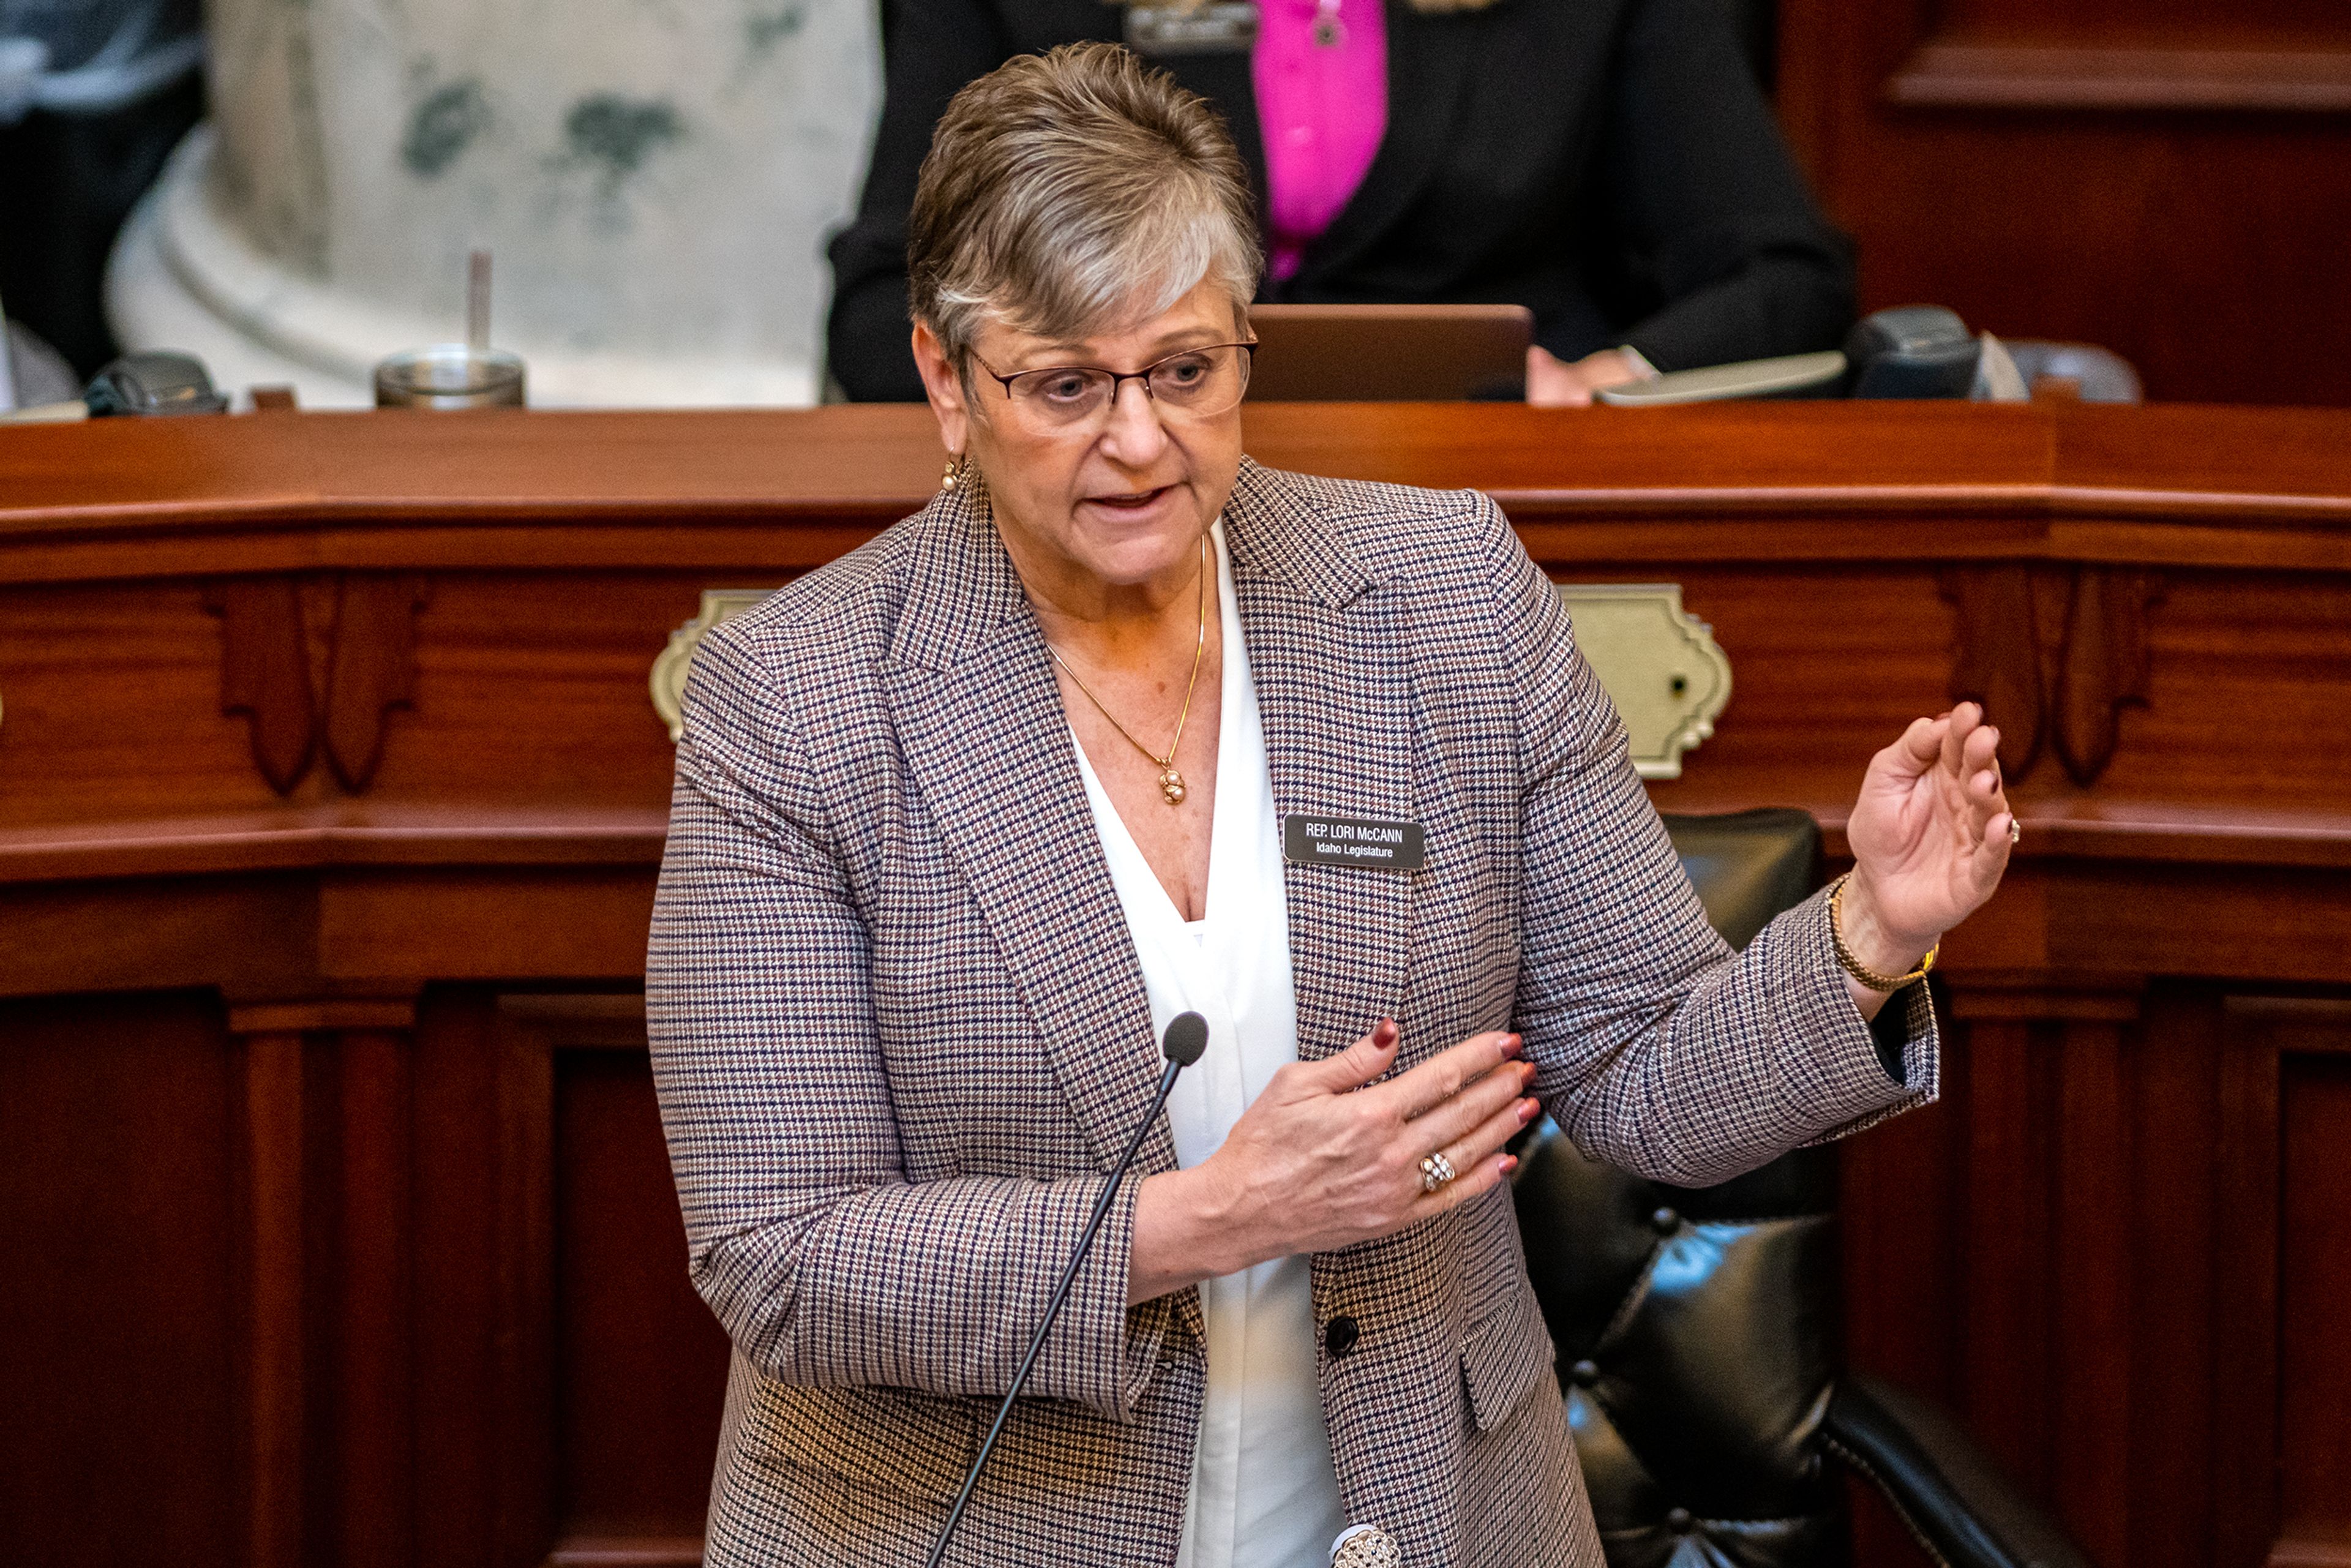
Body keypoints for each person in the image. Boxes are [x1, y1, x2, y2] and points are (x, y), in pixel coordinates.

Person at [650, 43, 2012, 1568]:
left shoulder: (1443, 597)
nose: (1141, 441)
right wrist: (1214, 1217)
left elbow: (1640, 1070)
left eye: (1184, 369)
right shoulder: (796, 698)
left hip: (1416, 1518)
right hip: (972, 1528)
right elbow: (783, 1257)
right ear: (944, 381)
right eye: (1064, 386)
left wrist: (1869, 935)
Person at [825, 0, 1856, 407]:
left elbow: (1782, 277)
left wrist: (1599, 388)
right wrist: (1061, 398)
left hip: (1491, 511)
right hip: (1113, 499)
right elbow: (887, 312)